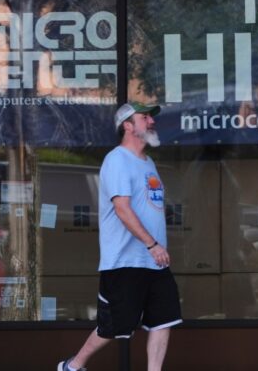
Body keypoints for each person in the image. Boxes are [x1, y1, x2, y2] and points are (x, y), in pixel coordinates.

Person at [58, 102, 182, 371]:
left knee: (164, 320)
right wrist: (151, 244)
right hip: (126, 261)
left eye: (151, 117)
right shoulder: (117, 160)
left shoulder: (147, 163)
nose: (151, 121)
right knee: (113, 327)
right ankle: (73, 366)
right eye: (144, 117)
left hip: (154, 261)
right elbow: (122, 209)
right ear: (127, 125)